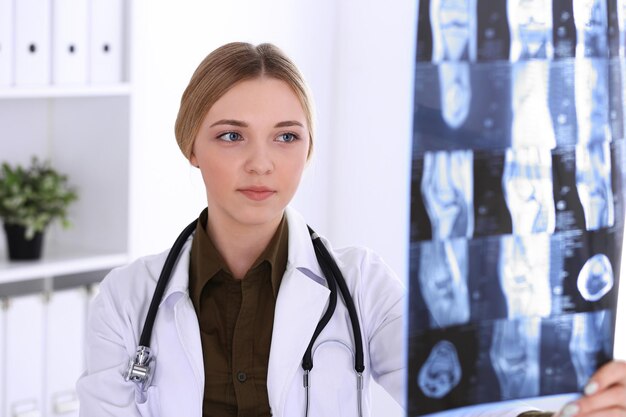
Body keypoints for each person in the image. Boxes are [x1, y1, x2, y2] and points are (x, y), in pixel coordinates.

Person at [76, 42, 626, 417]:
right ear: (190, 144)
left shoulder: (361, 284)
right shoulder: (128, 300)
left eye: (286, 136)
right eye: (231, 136)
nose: (262, 163)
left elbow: (448, 400)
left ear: (309, 148)